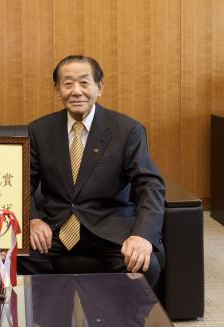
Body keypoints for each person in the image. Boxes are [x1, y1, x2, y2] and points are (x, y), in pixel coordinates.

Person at [19, 55, 165, 286]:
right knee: (15, 257)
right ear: (58, 90)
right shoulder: (40, 130)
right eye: (67, 83)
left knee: (145, 265)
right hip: (55, 226)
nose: (76, 91)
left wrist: (142, 235)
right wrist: (32, 220)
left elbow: (150, 185)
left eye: (84, 83)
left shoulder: (127, 130)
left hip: (108, 226)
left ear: (99, 87)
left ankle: (115, 320)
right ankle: (53, 315)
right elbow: (23, 183)